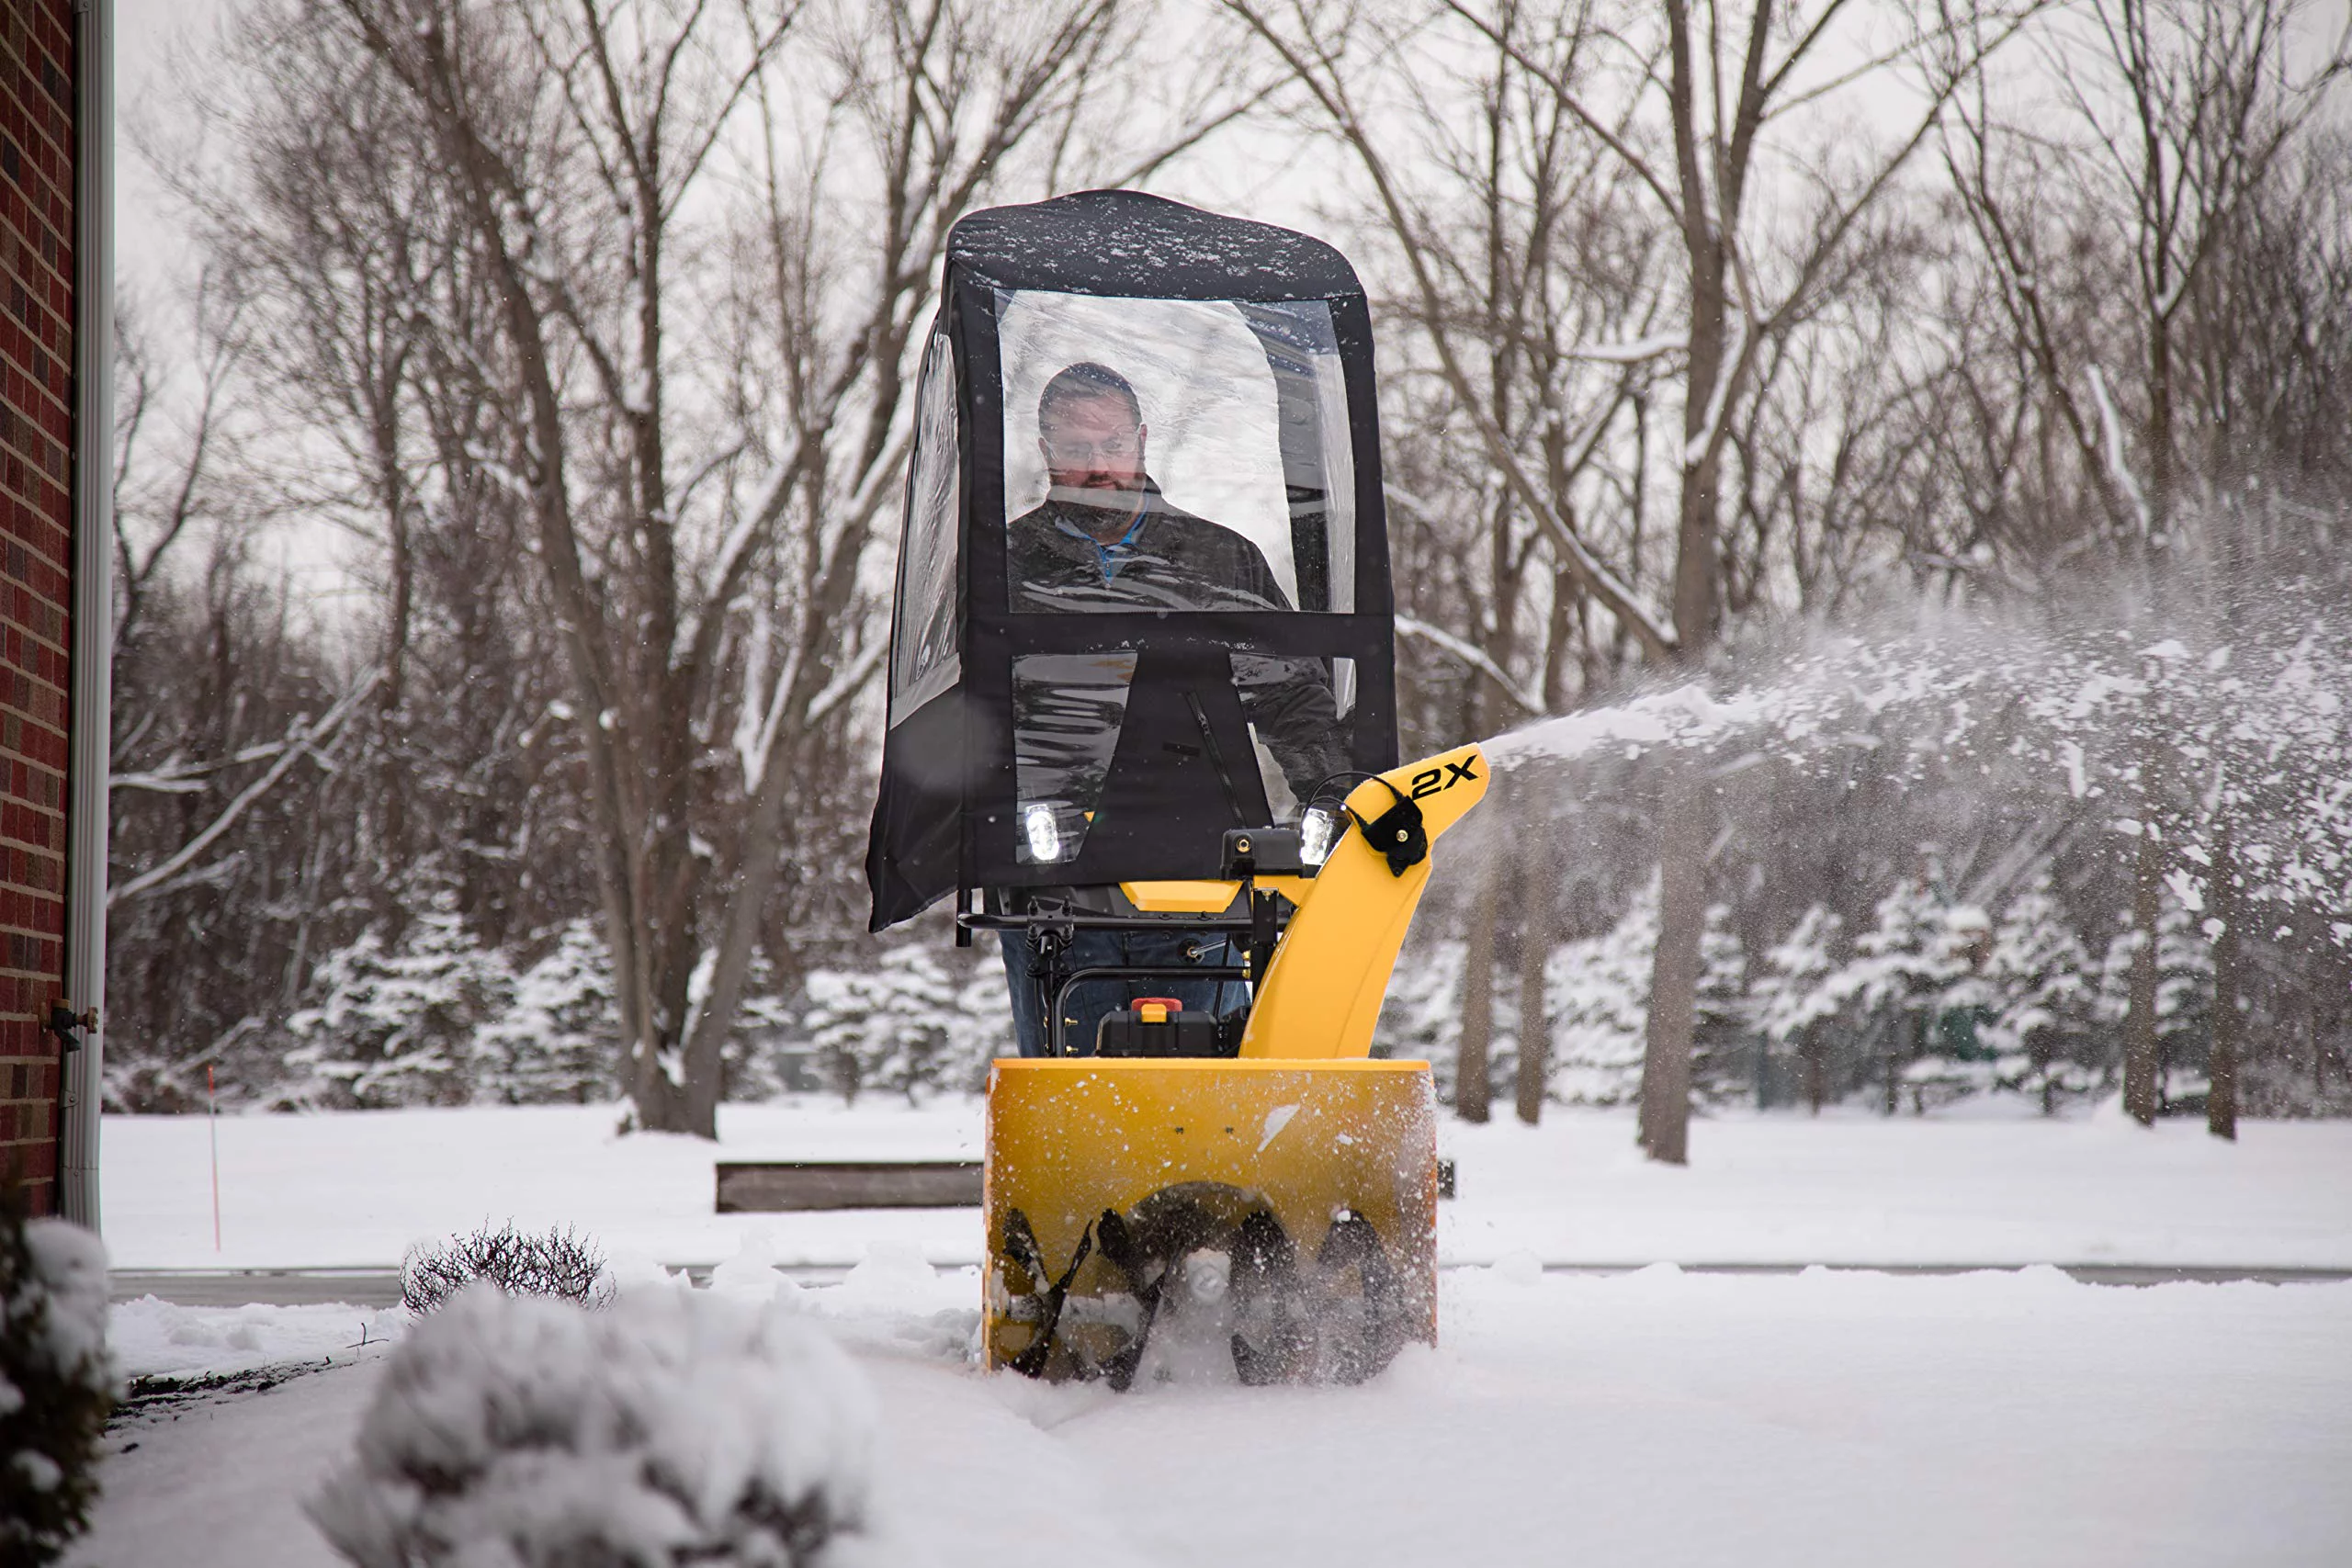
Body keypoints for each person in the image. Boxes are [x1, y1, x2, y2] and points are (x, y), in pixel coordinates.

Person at [999, 361, 1347, 1056]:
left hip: (1205, 878)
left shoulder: (1219, 561)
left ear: (1143, 439)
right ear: (1044, 451)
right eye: (1075, 449)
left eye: (1113, 445)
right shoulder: (1006, 566)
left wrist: (1335, 795)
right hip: (1057, 885)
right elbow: (969, 715)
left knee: (1206, 1094)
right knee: (1074, 1102)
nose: (1098, 467)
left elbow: (1290, 697)